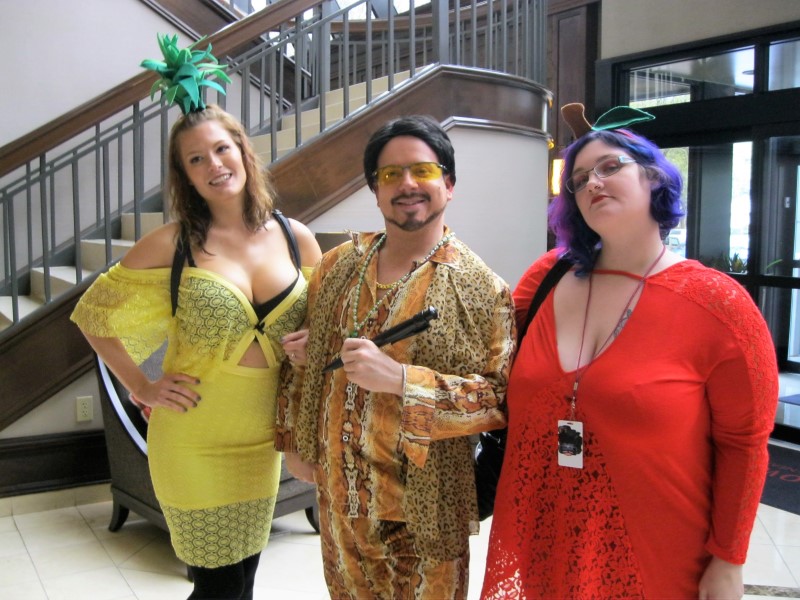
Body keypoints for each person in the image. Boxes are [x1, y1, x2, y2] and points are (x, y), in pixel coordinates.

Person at [481, 104, 779, 599]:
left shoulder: (718, 303)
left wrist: (728, 559)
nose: (592, 183)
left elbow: (744, 444)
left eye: (610, 166)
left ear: (654, 177)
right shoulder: (548, 277)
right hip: (548, 539)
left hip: (657, 549)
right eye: (578, 179)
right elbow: (482, 358)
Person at [71, 102, 322, 599]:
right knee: (218, 588)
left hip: (264, 440)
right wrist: (141, 385)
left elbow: (324, 320)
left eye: (221, 149)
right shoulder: (172, 244)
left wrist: (313, 341)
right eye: (196, 159)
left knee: (244, 582)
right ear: (184, 175)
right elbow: (92, 315)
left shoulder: (297, 239)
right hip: (193, 440)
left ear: (243, 152)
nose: (214, 165)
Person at [276, 115, 513, 599]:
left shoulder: (482, 289)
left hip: (426, 507)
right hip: (341, 495)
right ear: (375, 189)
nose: (407, 184)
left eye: (422, 171)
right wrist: (294, 440)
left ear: (448, 185)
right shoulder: (337, 266)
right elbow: (301, 361)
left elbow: (497, 400)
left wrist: (404, 380)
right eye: (391, 174)